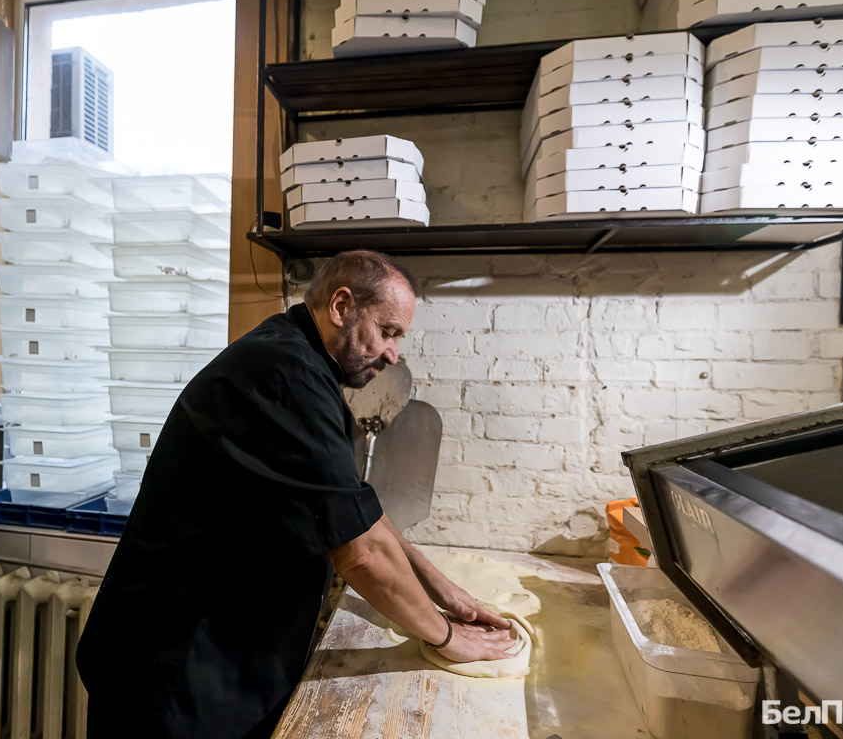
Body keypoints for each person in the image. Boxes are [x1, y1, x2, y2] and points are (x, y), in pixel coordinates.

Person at [77, 250, 515, 739]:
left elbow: (352, 505)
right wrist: (449, 638)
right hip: (174, 664)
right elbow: (361, 553)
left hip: (213, 652)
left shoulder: (298, 361)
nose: (393, 353)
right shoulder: (283, 374)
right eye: (388, 331)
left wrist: (441, 588)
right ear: (342, 305)